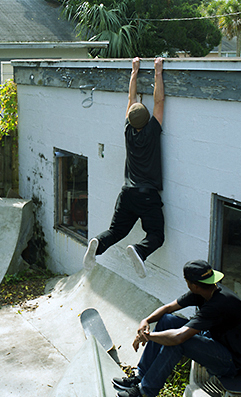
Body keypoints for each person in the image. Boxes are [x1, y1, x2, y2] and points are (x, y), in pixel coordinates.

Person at [113, 260, 241, 397]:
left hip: (230, 361)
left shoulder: (219, 303)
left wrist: (148, 337)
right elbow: (168, 308)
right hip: (214, 342)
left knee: (179, 342)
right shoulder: (205, 290)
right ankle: (141, 376)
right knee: (167, 320)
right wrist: (146, 320)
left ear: (192, 284)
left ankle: (145, 393)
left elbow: (179, 337)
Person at [83, 57, 165, 278]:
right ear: (147, 120)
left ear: (130, 118)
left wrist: (134, 71)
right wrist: (158, 73)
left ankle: (97, 244)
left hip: (126, 194)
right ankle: (140, 250)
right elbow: (159, 102)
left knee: (116, 231)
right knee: (156, 235)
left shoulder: (128, 131)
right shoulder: (152, 131)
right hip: (147, 195)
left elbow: (130, 98)